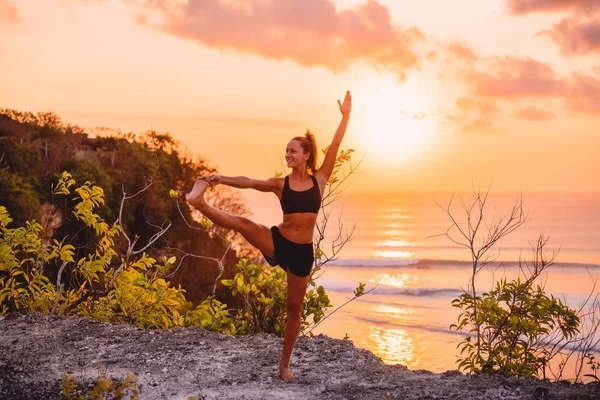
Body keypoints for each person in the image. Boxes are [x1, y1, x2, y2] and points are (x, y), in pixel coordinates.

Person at [186, 90, 352, 383]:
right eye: (286, 151)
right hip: (280, 242)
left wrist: (345, 116)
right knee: (243, 224)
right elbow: (250, 182)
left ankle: (284, 365)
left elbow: (335, 145)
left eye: (293, 151)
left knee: (294, 309)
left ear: (306, 155)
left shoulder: (320, 179)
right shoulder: (280, 184)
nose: (288, 155)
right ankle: (199, 202)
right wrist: (221, 178)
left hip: (302, 252)